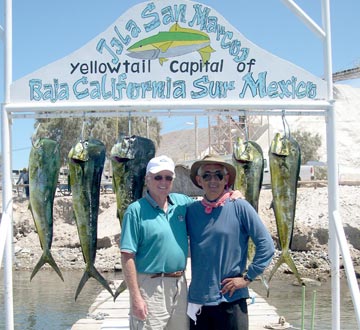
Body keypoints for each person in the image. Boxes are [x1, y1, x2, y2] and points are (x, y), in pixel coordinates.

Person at [186, 154, 275, 330]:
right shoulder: (190, 210)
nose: (213, 180)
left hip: (231, 299)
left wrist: (247, 278)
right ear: (199, 180)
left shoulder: (240, 206)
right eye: (207, 175)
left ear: (226, 179)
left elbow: (266, 245)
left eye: (218, 174)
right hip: (199, 302)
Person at [120, 155, 192, 330]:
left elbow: (210, 204)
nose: (163, 181)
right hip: (151, 286)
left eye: (168, 177)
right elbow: (127, 256)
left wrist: (231, 193)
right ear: (147, 180)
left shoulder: (182, 203)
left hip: (180, 285)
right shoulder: (135, 211)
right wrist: (136, 297)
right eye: (158, 177)